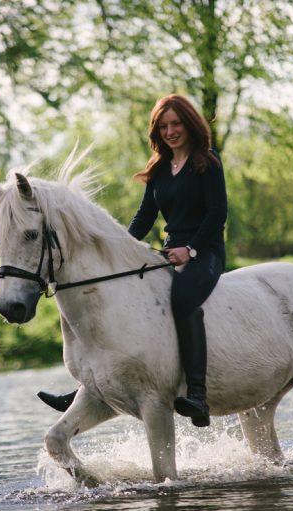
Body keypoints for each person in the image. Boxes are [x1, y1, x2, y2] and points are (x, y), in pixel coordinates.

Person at [38, 94, 227, 427]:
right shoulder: (158, 170)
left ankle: (197, 393)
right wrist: (117, 248)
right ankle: (89, 386)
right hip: (168, 253)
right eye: (164, 126)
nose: (170, 132)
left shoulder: (206, 161)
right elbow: (144, 216)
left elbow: (216, 214)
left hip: (204, 253)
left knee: (182, 301)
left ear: (190, 124)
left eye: (176, 124)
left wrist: (192, 250)